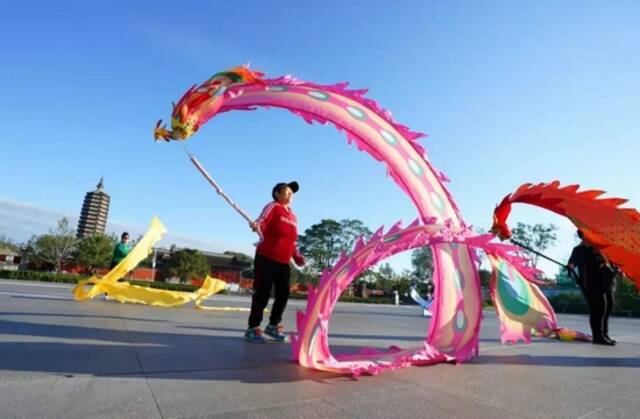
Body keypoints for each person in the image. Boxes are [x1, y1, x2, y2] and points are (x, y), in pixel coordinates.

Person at [245, 181, 305, 343]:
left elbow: (292, 240)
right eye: (287, 192)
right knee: (262, 293)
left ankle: (273, 326)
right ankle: (252, 328)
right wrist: (257, 225)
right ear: (277, 194)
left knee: (283, 294)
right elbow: (262, 220)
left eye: (292, 193)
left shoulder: (293, 216)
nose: (290, 195)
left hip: (283, 262)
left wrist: (297, 256)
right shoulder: (273, 206)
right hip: (266, 258)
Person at [567, 230, 617, 346]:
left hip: (606, 282)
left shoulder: (601, 249)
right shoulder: (579, 250)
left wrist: (616, 269)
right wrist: (570, 266)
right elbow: (572, 262)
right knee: (599, 308)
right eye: (584, 236)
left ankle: (604, 334)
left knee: (608, 306)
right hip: (590, 283)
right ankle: (598, 336)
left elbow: (611, 262)